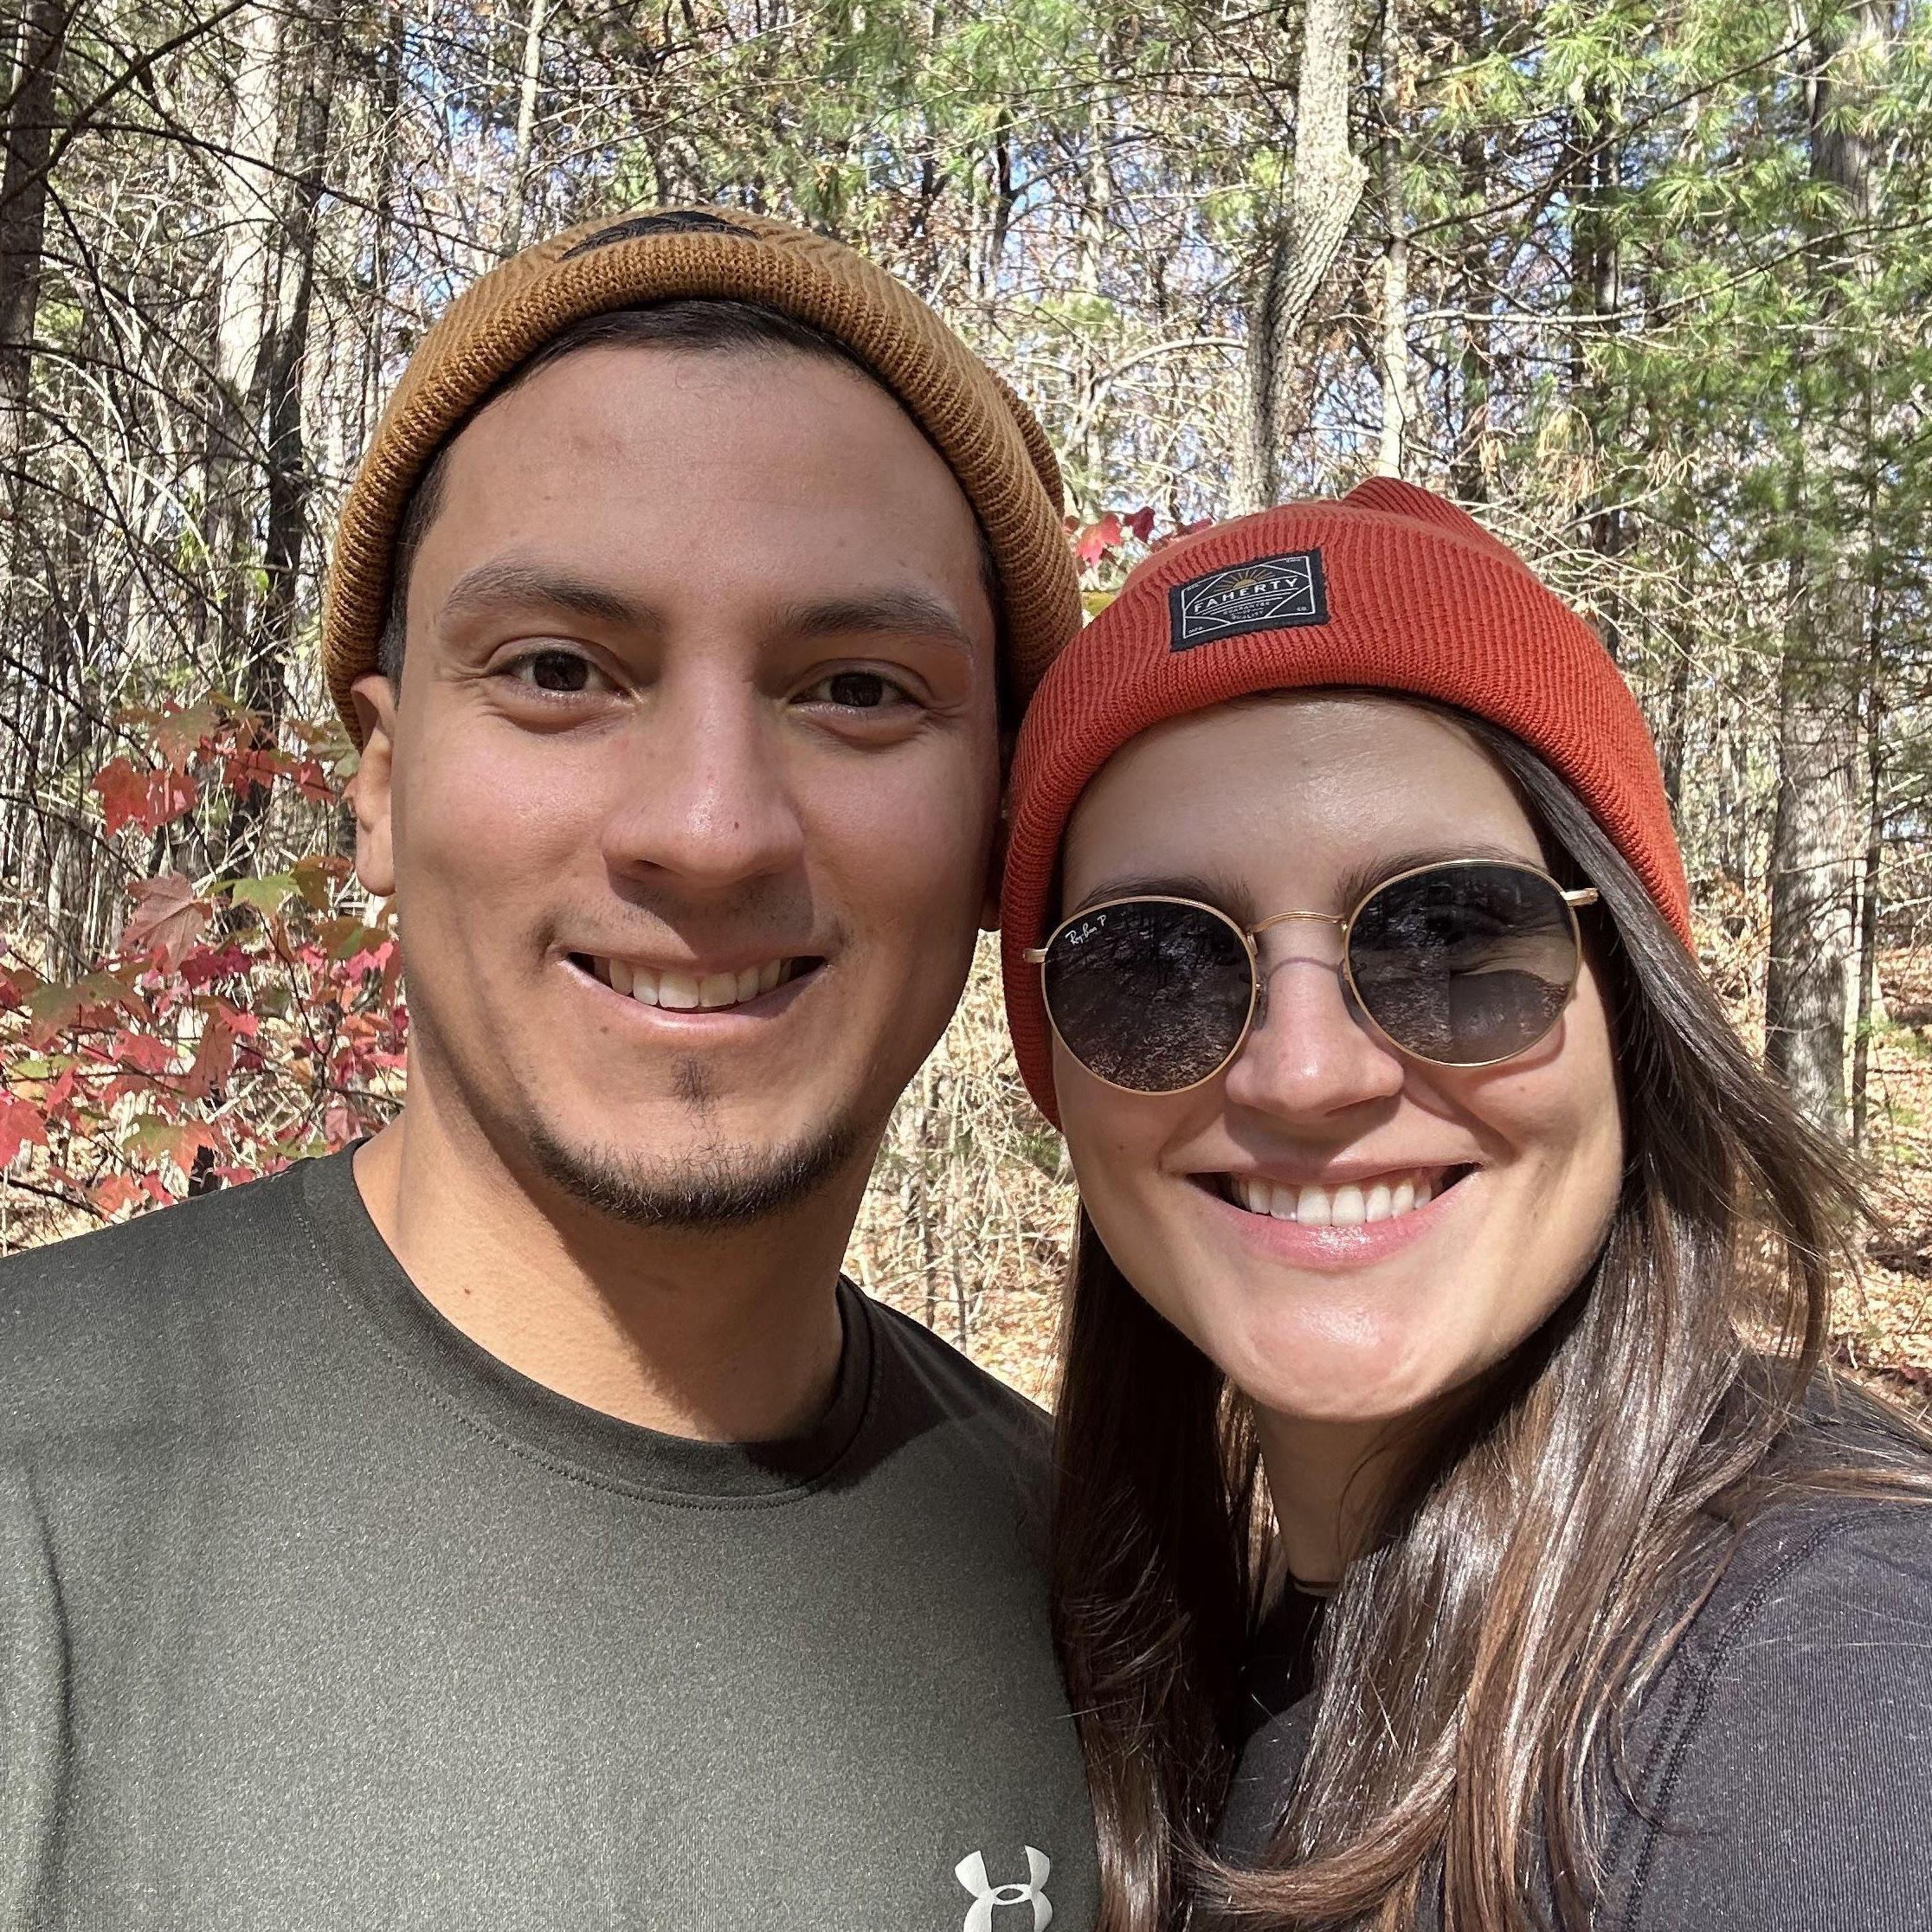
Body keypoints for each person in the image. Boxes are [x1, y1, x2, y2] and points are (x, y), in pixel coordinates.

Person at [1, 208, 1098, 1929]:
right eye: (562, 672)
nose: (709, 828)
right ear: (380, 781)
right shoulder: (35, 1498)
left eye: (861, 689)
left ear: (998, 827)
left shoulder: (1119, 1623)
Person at [997, 479, 1932, 1931]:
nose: (1305, 1073)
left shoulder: (1847, 1712)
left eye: (1449, 934)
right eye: (1157, 965)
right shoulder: (1171, 1660)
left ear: (1631, 1003)